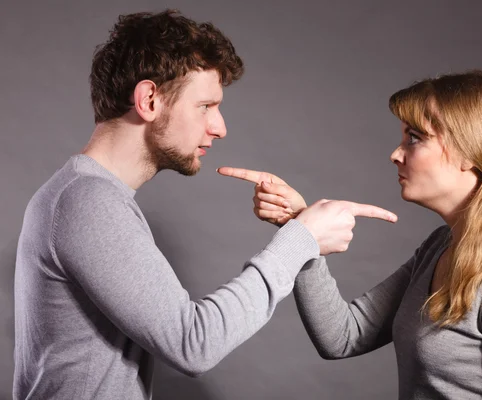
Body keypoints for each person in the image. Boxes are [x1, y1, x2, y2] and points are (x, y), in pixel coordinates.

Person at [12, 9, 398, 400]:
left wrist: (300, 230)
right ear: (149, 100)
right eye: (205, 106)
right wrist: (302, 239)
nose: (220, 126)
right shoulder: (87, 201)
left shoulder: (86, 195)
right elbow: (193, 343)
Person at [219, 70, 482, 399]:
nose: (395, 154)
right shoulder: (438, 247)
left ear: (467, 154)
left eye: (415, 138)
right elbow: (341, 337)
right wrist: (302, 228)